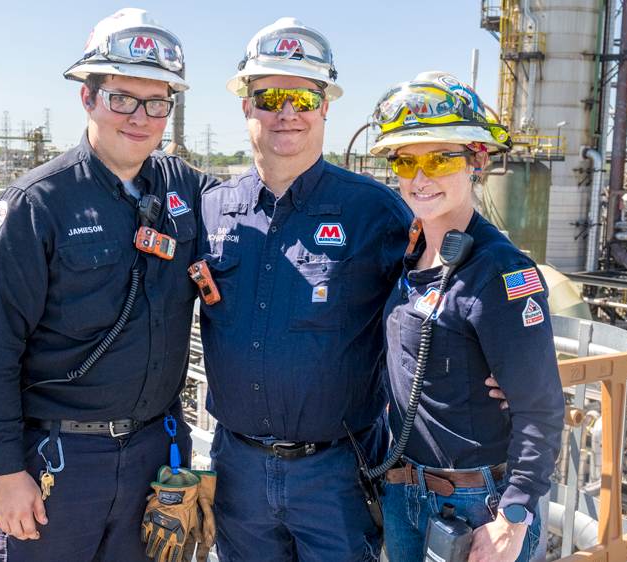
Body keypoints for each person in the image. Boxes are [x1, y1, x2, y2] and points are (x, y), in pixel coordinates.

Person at [0, 9, 216, 560]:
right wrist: (5, 470)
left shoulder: (185, 190)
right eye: (122, 98)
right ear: (88, 98)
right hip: (59, 461)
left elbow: (263, 206)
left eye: (157, 103)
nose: (140, 117)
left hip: (157, 453)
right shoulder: (38, 204)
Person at [195, 18, 412, 562]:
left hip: (337, 473)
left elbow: (443, 296)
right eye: (270, 97)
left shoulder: (375, 212)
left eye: (303, 98)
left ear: (325, 108)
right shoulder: (213, 209)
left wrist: (493, 360)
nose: (287, 113)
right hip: (238, 470)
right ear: (246, 105)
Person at [371, 72, 565, 562]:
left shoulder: (501, 271)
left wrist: (514, 518)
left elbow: (541, 407)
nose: (420, 176)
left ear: (477, 161)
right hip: (407, 494)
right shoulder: (410, 256)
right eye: (405, 160)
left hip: (479, 506)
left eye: (440, 158)